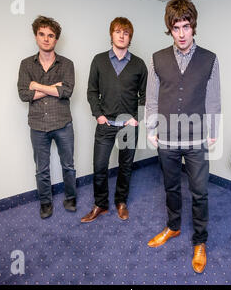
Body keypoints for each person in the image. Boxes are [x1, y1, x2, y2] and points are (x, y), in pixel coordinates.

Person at [145, 0, 221, 274]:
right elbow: (152, 98)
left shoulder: (210, 59)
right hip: (166, 138)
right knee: (171, 187)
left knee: (200, 192)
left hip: (197, 138)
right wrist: (151, 129)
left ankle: (200, 241)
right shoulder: (157, 59)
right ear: (170, 28)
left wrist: (213, 131)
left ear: (193, 27)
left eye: (185, 27)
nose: (181, 34)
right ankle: (174, 227)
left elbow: (213, 100)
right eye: (176, 28)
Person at [81, 17, 148, 223]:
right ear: (111, 34)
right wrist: (99, 116)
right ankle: (100, 204)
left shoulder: (138, 64)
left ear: (130, 37)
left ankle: (121, 202)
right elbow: (92, 91)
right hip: (106, 124)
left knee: (125, 166)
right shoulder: (99, 60)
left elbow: (145, 95)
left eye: (126, 33)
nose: (121, 35)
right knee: (100, 166)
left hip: (128, 126)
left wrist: (136, 119)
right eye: (118, 31)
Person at [17, 16, 76, 219]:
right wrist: (54, 88)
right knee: (41, 169)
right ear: (36, 37)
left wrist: (37, 86)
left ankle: (70, 198)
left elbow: (66, 91)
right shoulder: (26, 65)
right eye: (42, 34)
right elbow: (24, 94)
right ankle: (45, 203)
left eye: (51, 35)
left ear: (56, 40)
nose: (46, 39)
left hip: (62, 123)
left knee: (68, 165)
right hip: (37, 125)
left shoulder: (67, 64)